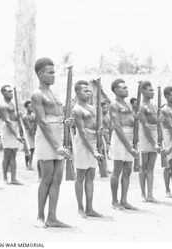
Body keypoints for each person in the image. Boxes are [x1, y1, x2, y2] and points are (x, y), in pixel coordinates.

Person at [31, 57, 72, 228]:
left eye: (54, 72)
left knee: (58, 178)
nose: (54, 76)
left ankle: (52, 217)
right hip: (47, 137)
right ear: (40, 74)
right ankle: (40, 217)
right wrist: (56, 146)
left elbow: (58, 117)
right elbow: (42, 121)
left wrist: (66, 122)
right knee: (46, 177)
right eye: (50, 73)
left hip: (59, 134)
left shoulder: (54, 93)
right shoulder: (37, 94)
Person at [72, 80, 104, 218]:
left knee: (91, 176)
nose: (89, 92)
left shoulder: (93, 108)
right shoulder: (77, 109)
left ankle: (90, 208)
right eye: (85, 90)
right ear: (77, 92)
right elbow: (82, 133)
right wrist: (93, 151)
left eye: (90, 90)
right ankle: (80, 208)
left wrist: (100, 131)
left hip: (94, 141)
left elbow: (96, 126)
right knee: (80, 176)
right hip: (83, 143)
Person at [110, 79, 139, 210]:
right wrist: (128, 146)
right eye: (123, 88)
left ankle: (124, 200)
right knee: (117, 170)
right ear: (116, 90)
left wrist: (135, 117)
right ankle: (114, 201)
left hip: (130, 136)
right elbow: (117, 126)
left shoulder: (128, 104)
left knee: (127, 170)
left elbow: (130, 121)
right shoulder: (114, 105)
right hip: (120, 138)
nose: (127, 89)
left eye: (127, 87)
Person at [139, 81, 161, 202]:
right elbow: (145, 125)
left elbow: (155, 122)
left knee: (151, 167)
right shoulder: (141, 106)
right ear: (142, 91)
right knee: (143, 166)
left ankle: (150, 194)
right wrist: (153, 143)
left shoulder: (155, 106)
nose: (152, 92)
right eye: (149, 90)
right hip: (144, 135)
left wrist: (159, 120)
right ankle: (143, 194)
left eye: (153, 90)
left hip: (154, 134)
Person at [0, 85, 23, 185]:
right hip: (8, 129)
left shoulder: (12, 103)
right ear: (3, 92)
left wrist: (19, 115)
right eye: (8, 91)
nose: (11, 93)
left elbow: (15, 117)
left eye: (11, 91)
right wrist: (16, 135)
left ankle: (13, 178)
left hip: (15, 127)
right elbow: (8, 122)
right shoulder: (3, 105)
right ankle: (5, 177)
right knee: (7, 154)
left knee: (13, 155)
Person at [23, 100, 38, 171]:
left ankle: (30, 164)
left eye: (32, 106)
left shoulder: (33, 115)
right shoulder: (24, 116)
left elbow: (35, 124)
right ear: (26, 107)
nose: (31, 108)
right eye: (29, 107)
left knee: (32, 149)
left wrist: (35, 133)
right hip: (27, 133)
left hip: (33, 132)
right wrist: (32, 135)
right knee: (28, 149)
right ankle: (27, 164)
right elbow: (28, 126)